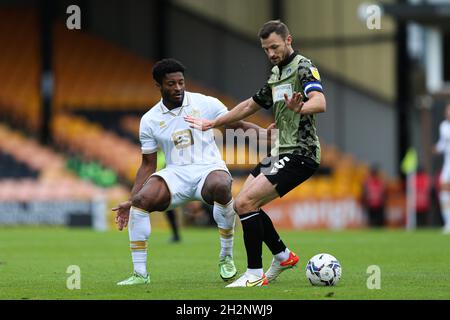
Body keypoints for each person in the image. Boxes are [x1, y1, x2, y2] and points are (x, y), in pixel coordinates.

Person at [185, 20, 326, 287]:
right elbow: (250, 105)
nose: (271, 53)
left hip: (301, 153)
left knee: (244, 204)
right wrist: (214, 122)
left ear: (288, 40)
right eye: (266, 49)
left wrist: (301, 109)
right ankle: (283, 255)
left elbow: (320, 102)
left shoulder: (304, 67)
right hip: (280, 151)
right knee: (245, 202)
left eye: (274, 47)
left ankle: (254, 273)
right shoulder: (276, 74)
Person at [113, 58, 269, 285]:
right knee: (141, 201)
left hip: (209, 167)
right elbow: (148, 164)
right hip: (175, 173)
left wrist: (265, 134)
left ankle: (225, 257)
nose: (178, 88)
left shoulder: (205, 103)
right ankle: (140, 274)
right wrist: (131, 199)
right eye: (171, 84)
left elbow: (237, 125)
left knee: (221, 185)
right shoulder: (149, 120)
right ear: (159, 86)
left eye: (181, 82)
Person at [433, 103, 450, 234]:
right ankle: (448, 223)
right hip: (448, 164)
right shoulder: (443, 126)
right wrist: (436, 148)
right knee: (444, 192)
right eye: (447, 110)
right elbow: (443, 144)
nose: (448, 112)